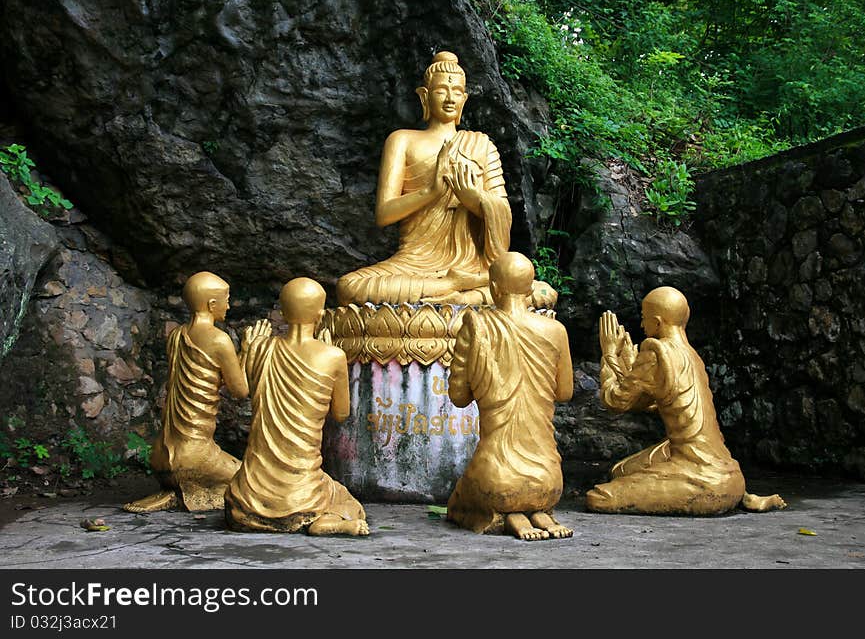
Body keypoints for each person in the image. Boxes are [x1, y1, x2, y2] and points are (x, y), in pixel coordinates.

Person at [336, 51, 556, 308]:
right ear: (424, 96)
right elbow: (384, 214)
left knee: (540, 291)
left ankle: (467, 292)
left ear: (464, 99)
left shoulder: (481, 145)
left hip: (474, 265)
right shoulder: (402, 140)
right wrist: (430, 191)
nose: (450, 98)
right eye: (441, 90)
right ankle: (457, 288)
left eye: (456, 92)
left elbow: (502, 211)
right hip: (414, 264)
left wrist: (474, 199)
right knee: (350, 287)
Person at [586, 286, 786, 515]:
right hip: (730, 471)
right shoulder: (692, 355)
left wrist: (609, 353)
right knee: (620, 471)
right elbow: (655, 402)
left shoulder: (655, 351)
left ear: (658, 322)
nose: (642, 326)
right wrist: (631, 369)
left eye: (644, 319)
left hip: (702, 476)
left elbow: (615, 401)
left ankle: (725, 496)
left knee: (599, 498)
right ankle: (741, 495)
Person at [225, 278, 369, 536]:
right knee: (348, 502)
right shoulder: (332, 356)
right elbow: (341, 413)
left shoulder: (261, 348)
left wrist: (247, 350)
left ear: (282, 312)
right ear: (321, 315)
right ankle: (327, 521)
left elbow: (241, 391)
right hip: (303, 494)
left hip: (246, 497)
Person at [446, 252, 574, 540]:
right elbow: (564, 392)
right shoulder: (556, 331)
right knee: (533, 494)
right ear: (531, 289)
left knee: (458, 503)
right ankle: (537, 513)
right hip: (549, 481)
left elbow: (458, 397)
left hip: (497, 480)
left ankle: (511, 516)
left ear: (493, 288)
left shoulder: (476, 326)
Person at [124, 271, 248, 513]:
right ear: (212, 305)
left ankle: (177, 491)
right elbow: (240, 390)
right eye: (227, 299)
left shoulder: (176, 336)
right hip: (195, 455)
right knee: (253, 481)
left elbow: (205, 381)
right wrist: (248, 351)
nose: (229, 305)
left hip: (161, 454)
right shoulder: (218, 339)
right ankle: (191, 489)